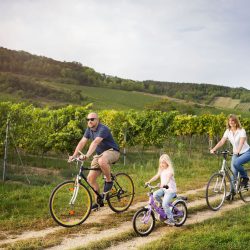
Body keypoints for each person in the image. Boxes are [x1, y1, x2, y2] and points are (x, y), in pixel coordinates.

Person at [68, 112, 120, 209]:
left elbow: (95, 142)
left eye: (92, 119)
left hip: (112, 151)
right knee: (90, 179)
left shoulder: (103, 129)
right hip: (100, 154)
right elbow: (82, 142)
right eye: (88, 119)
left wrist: (87, 155)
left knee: (101, 160)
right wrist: (74, 155)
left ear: (97, 120)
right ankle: (98, 201)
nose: (90, 121)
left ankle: (109, 181)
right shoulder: (89, 130)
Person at [210, 114, 250, 199]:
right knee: (234, 173)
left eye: (233, 121)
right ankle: (232, 192)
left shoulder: (241, 130)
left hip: (246, 152)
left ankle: (245, 178)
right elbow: (222, 141)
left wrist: (238, 150)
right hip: (236, 153)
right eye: (230, 121)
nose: (231, 122)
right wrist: (213, 149)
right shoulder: (228, 131)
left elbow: (241, 142)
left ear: (236, 122)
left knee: (236, 163)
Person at [145, 153, 177, 226]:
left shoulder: (170, 170)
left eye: (163, 162)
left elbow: (168, 178)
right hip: (164, 189)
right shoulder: (162, 170)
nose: (162, 164)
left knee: (165, 203)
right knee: (155, 195)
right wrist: (149, 181)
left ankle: (171, 220)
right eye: (161, 163)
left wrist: (164, 184)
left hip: (170, 190)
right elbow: (156, 176)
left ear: (167, 163)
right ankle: (163, 207)